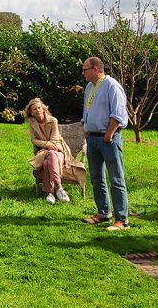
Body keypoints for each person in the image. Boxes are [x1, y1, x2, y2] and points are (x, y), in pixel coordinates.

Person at [80, 57, 130, 231]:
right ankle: (103, 213)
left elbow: (118, 113)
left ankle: (122, 220)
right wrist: (85, 126)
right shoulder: (89, 87)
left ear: (95, 69)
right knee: (96, 178)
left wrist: (108, 135)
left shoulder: (111, 85)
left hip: (107, 138)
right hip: (92, 138)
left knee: (116, 178)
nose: (83, 73)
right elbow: (87, 109)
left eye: (85, 69)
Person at [25, 97, 77, 204]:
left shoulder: (53, 120)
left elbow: (54, 140)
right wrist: (46, 144)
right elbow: (33, 140)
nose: (38, 110)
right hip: (46, 152)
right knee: (47, 160)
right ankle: (58, 188)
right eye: (35, 109)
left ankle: (51, 192)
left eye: (39, 108)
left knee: (51, 154)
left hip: (58, 150)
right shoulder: (32, 123)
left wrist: (49, 145)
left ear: (43, 109)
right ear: (32, 112)